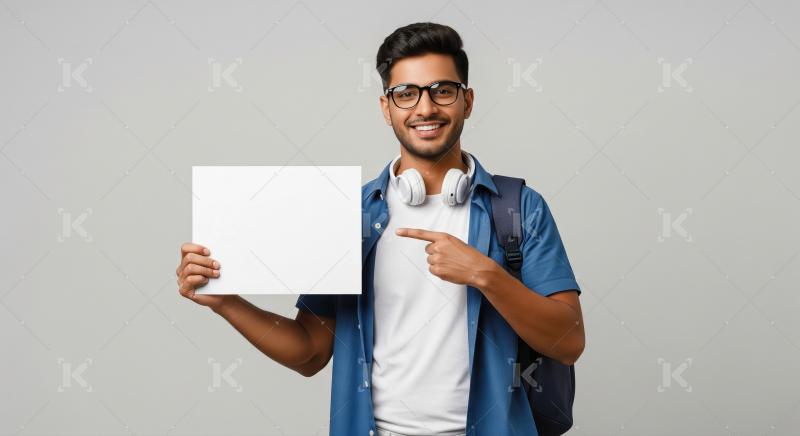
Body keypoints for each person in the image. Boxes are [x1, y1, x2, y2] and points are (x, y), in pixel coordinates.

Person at [176, 22, 584, 436]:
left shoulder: (518, 209)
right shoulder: (348, 215)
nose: (425, 109)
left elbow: (569, 343)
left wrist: (485, 275)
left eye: (442, 90)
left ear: (467, 101)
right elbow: (310, 352)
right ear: (387, 108)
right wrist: (226, 301)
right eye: (406, 94)